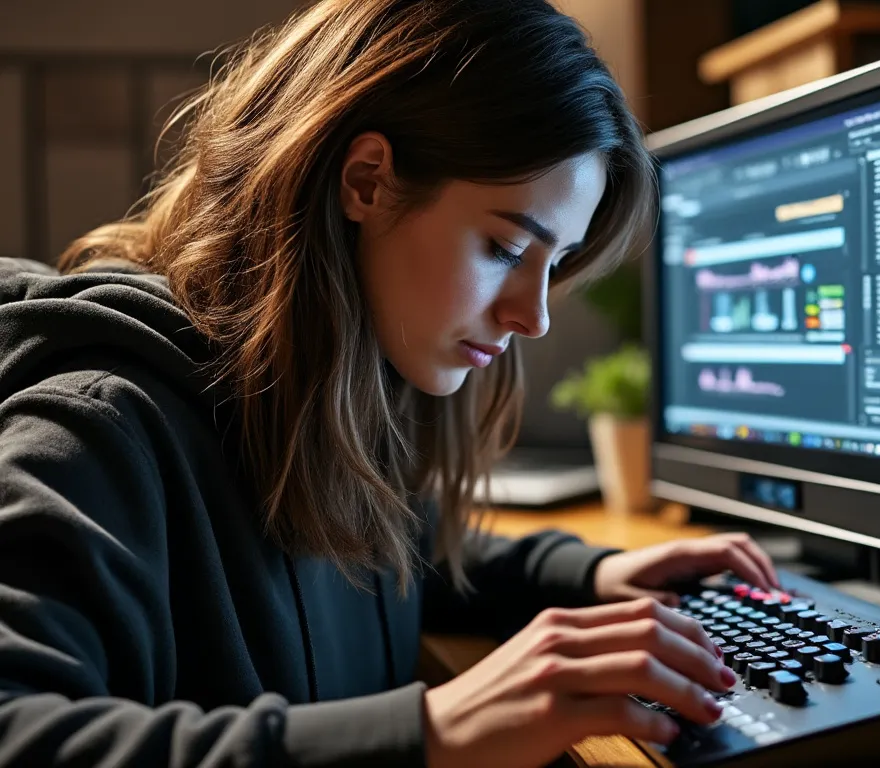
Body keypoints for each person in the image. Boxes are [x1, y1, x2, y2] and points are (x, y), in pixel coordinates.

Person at [0, 0, 779, 765]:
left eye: (556, 265)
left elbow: (387, 548)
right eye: (507, 249)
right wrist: (433, 732)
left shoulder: (321, 404)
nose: (532, 317)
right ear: (367, 181)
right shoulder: (95, 429)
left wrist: (588, 573)